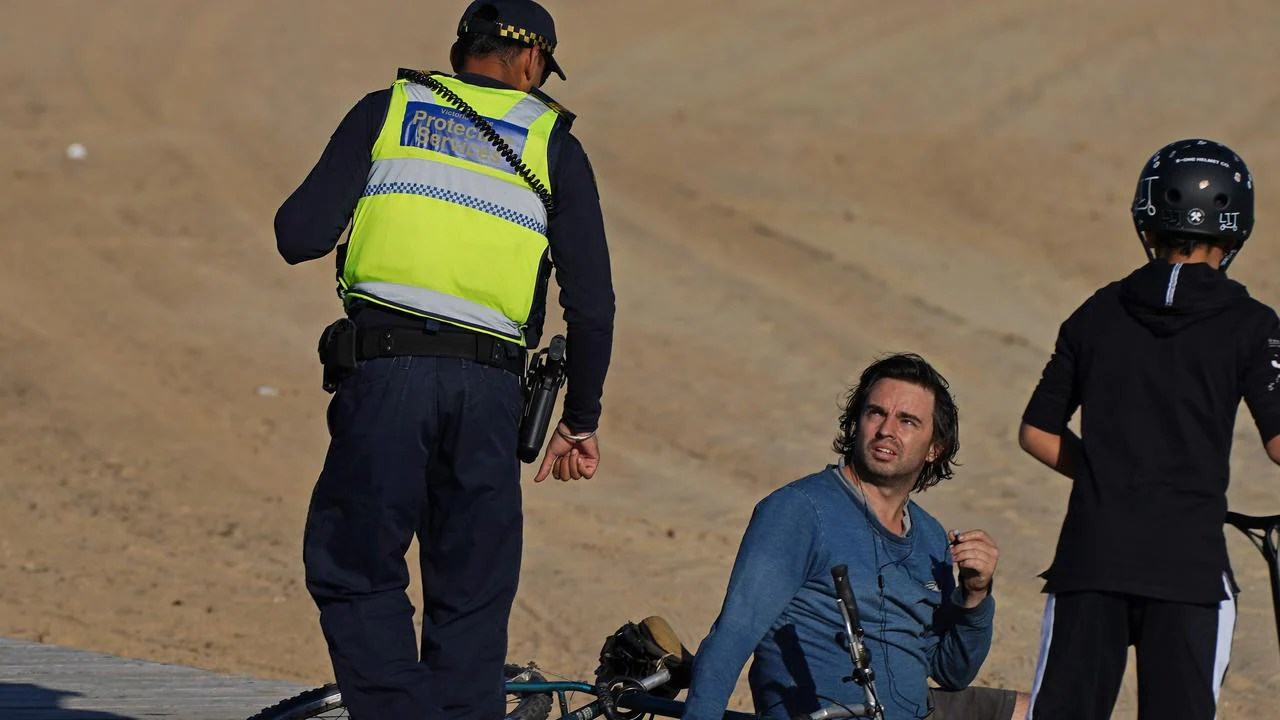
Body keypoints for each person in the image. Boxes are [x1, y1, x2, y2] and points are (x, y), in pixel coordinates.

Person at [274, 1, 615, 718]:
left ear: (462, 50)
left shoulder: (388, 110)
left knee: (355, 566)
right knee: (472, 593)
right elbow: (592, 305)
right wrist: (579, 419)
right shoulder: (554, 143)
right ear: (532, 61)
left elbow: (297, 234)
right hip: (491, 395)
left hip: (385, 376)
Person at [1019, 138, 1280, 720]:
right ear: (1235, 230)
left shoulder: (1096, 312)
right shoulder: (1252, 323)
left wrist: (1107, 475)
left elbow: (1036, 431)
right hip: (1188, 567)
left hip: (1091, 557)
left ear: (1147, 220)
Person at [683, 354, 1027, 720]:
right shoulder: (799, 510)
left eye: (907, 420)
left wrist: (975, 593)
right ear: (856, 422)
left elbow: (951, 670)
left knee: (1051, 707)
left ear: (934, 449)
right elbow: (733, 634)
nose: (886, 430)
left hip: (915, 709)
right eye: (876, 413)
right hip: (832, 713)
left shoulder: (930, 537)